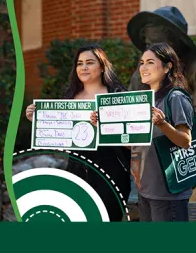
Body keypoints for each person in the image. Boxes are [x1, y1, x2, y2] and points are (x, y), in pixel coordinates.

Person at [24, 44, 131, 221]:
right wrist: (38, 121)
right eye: (80, 63)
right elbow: (58, 136)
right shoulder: (69, 97)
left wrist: (106, 127)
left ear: (102, 66)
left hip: (111, 171)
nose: (84, 67)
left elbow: (131, 143)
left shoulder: (117, 95)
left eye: (90, 62)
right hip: (77, 170)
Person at [92, 43, 194, 221]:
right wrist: (103, 127)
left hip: (168, 193)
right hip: (145, 189)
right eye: (141, 63)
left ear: (167, 67)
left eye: (150, 62)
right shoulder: (142, 101)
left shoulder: (175, 97)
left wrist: (163, 125)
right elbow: (133, 144)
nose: (143, 68)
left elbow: (186, 141)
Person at [127, 6, 196, 122]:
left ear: (175, 43)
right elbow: (130, 107)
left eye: (160, 46)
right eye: (149, 45)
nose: (153, 52)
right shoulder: (146, 64)